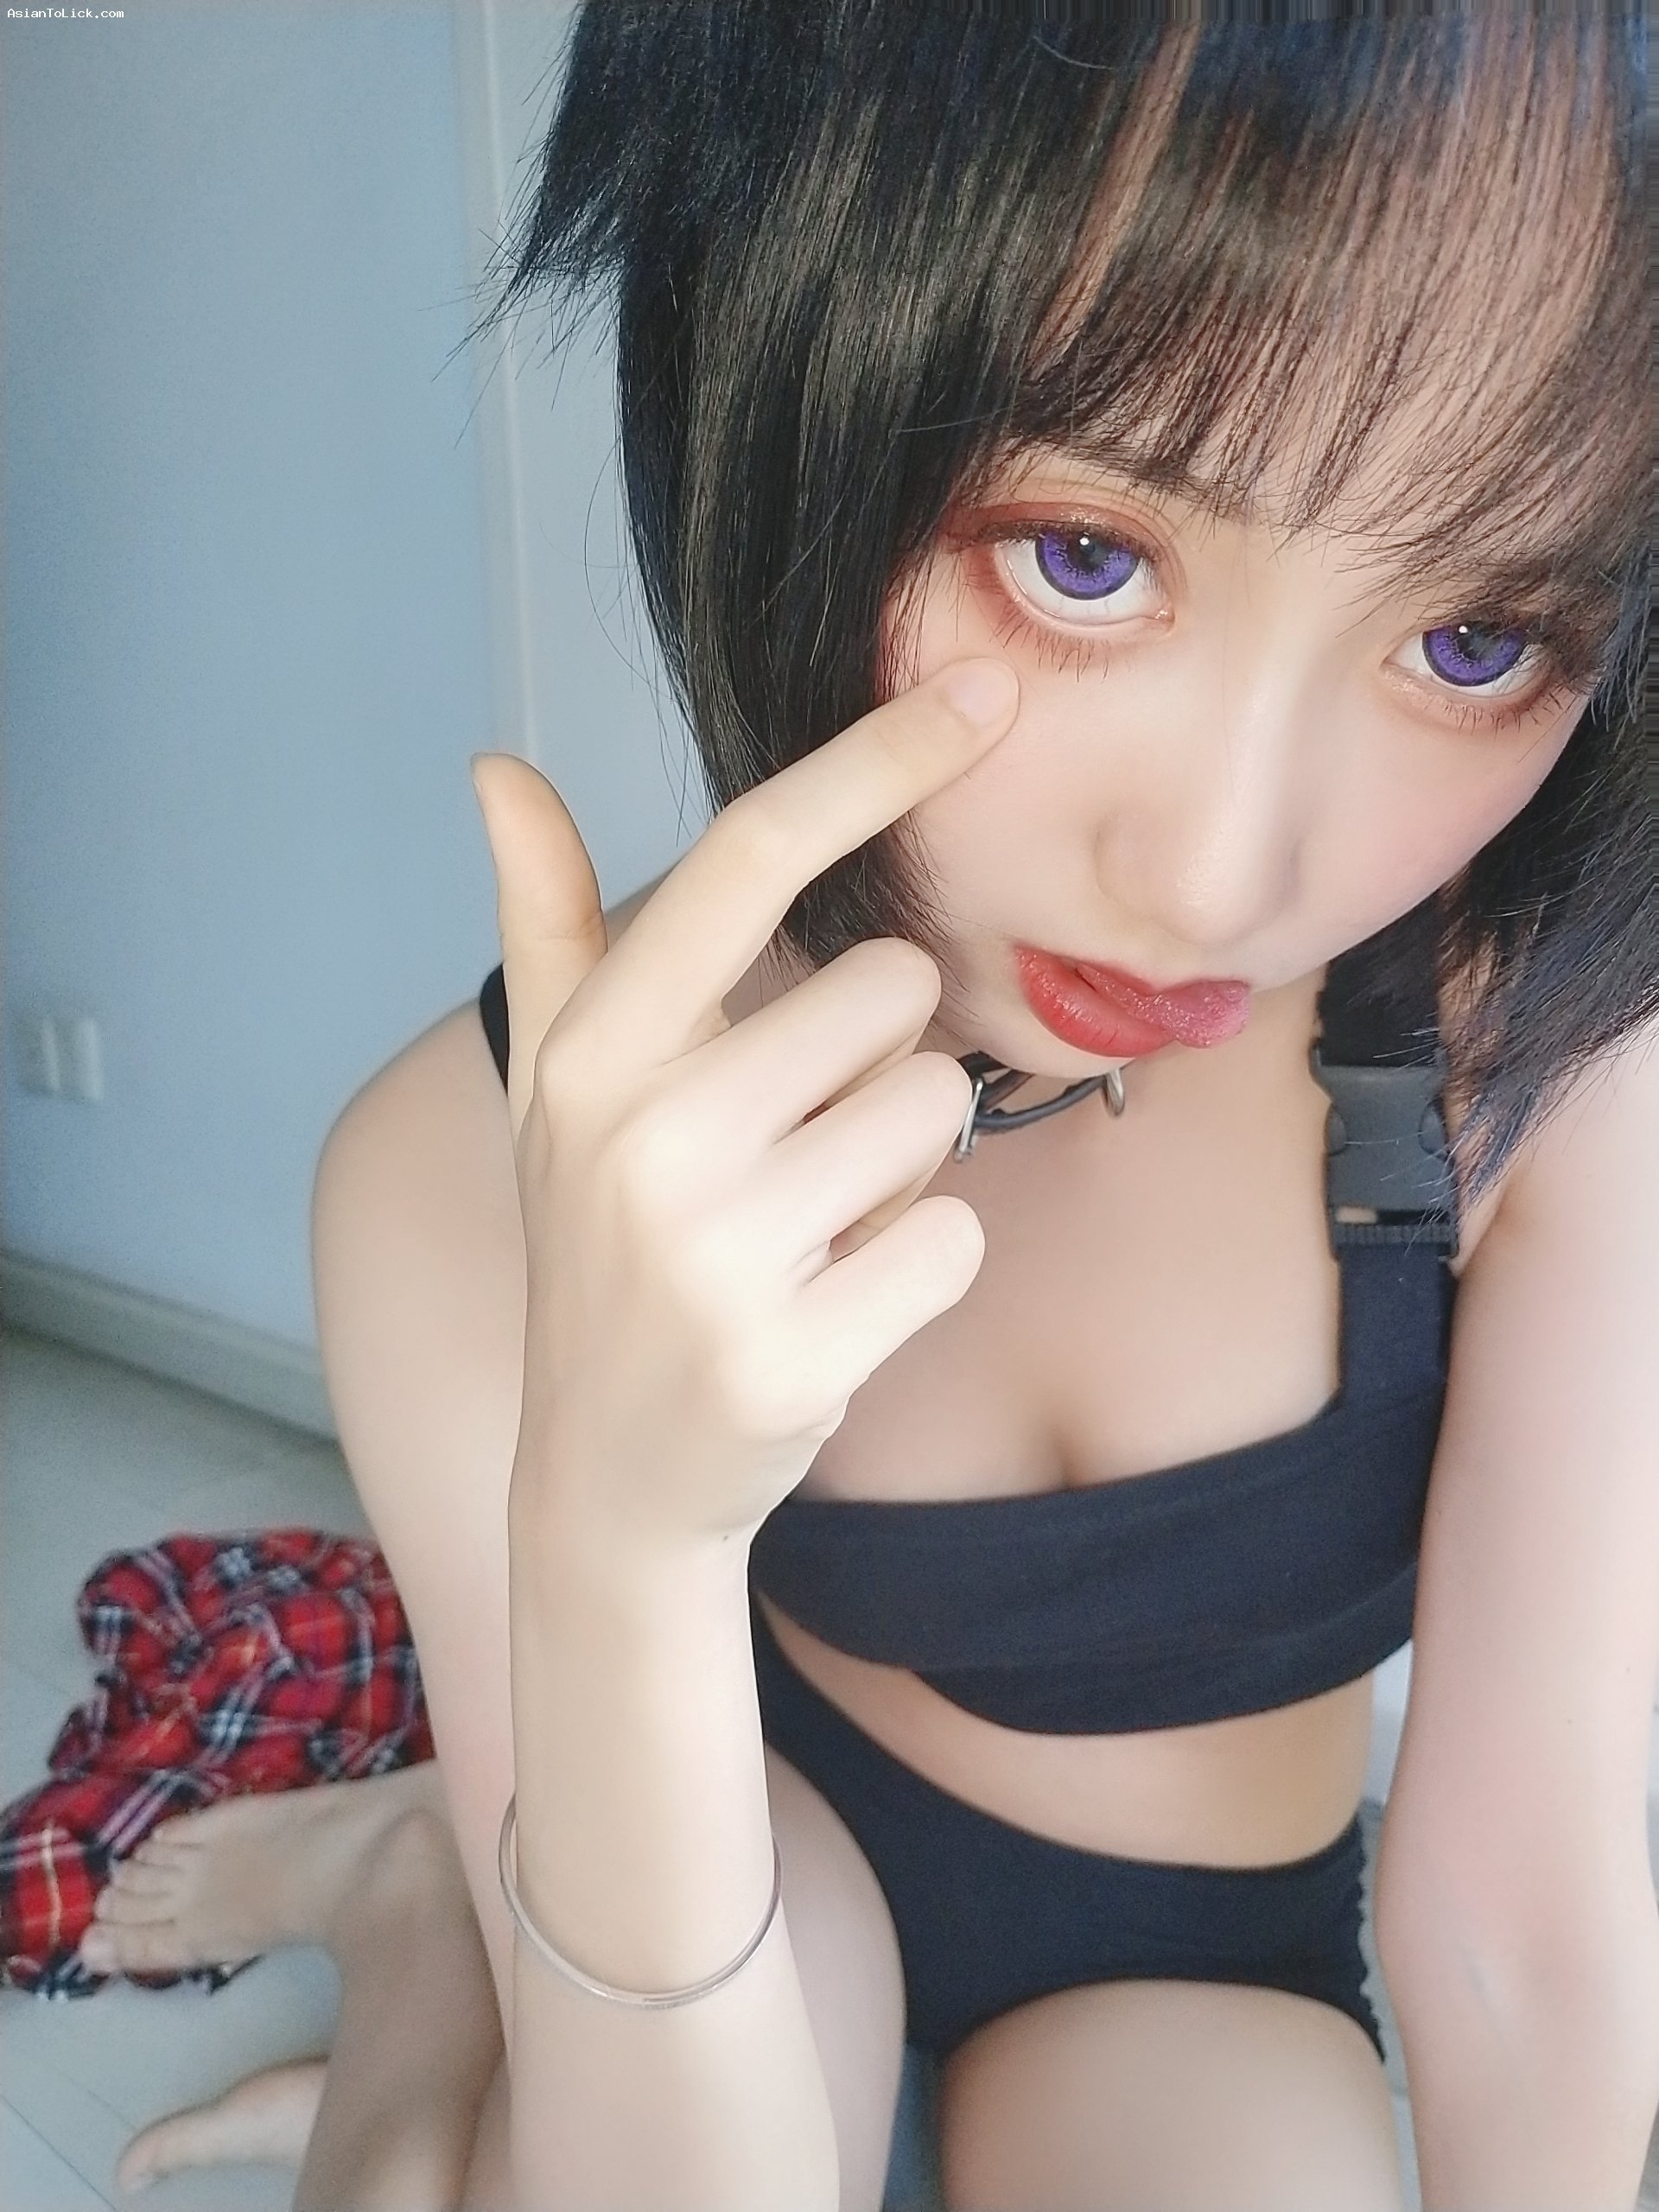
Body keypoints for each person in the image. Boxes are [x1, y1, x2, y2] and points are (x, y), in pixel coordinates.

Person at [82, 7, 1656, 2209]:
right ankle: (425, 1895)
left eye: (1474, 637)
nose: (1227, 876)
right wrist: (621, 1547)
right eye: (1085, 555)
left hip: (1199, 1959)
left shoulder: (1543, 1056)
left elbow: (1523, 1933)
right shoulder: (455, 1165)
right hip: (739, 1830)